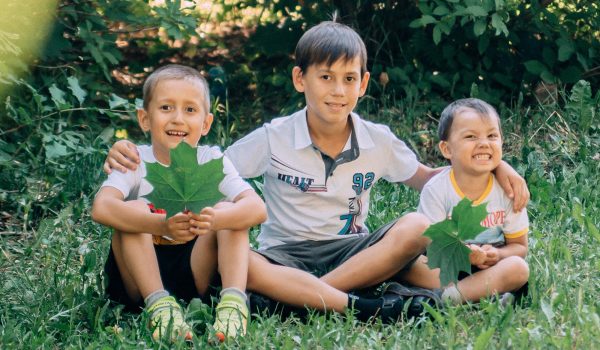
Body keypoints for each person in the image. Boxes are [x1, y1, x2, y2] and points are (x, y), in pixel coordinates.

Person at [103, 22, 529, 322]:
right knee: (239, 259)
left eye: (348, 78)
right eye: (325, 76)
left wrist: (496, 163)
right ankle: (344, 299)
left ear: (363, 84)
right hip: (281, 254)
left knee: (417, 225)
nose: (338, 90)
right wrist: (131, 151)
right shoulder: (273, 137)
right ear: (300, 79)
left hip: (352, 249)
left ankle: (308, 297)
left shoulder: (376, 139)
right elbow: (203, 163)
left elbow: (428, 176)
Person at [91, 64, 267, 342]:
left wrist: (215, 219)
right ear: (144, 118)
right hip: (137, 278)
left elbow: (257, 209)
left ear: (206, 123)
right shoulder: (134, 159)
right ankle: (160, 306)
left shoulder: (212, 161)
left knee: (231, 213)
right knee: (134, 209)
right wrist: (160, 224)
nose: (177, 119)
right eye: (165, 108)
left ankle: (233, 305)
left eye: (189, 110)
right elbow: (101, 208)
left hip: (194, 270)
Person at [407, 98, 529, 305]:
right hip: (445, 267)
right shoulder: (437, 189)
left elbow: (519, 246)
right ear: (447, 149)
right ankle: (479, 295)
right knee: (404, 264)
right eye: (471, 136)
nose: (484, 143)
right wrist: (465, 254)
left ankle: (449, 298)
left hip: (490, 268)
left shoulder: (508, 190)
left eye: (492, 135)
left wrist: (497, 254)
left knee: (518, 267)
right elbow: (430, 245)